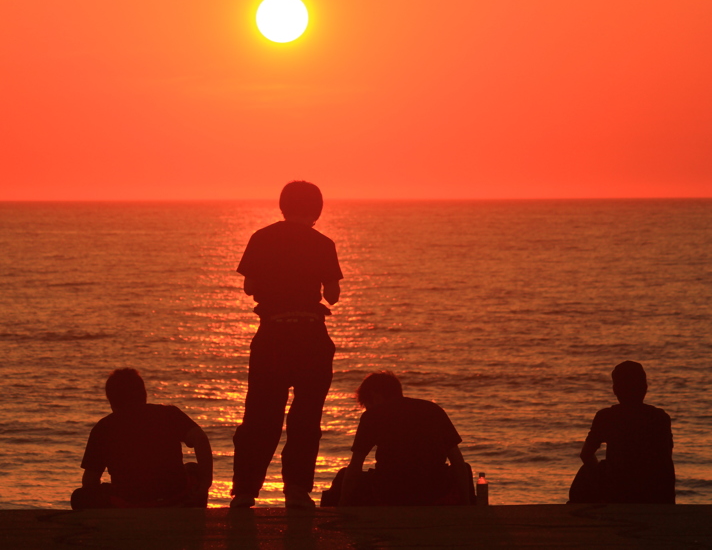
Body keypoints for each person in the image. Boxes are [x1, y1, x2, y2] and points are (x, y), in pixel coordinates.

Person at [231, 181, 343, 509]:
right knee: (306, 419)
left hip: (273, 336)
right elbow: (333, 296)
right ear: (317, 209)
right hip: (311, 336)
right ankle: (296, 490)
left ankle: (245, 492)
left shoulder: (261, 238)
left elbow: (250, 287)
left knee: (260, 416)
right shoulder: (324, 243)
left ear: (283, 205)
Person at [321, 372, 474, 507]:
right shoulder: (433, 409)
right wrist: (466, 502)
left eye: (367, 405)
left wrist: (343, 503)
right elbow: (457, 461)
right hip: (434, 491)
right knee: (465, 469)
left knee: (343, 476)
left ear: (374, 396)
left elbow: (356, 465)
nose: (367, 410)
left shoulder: (373, 415)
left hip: (390, 493)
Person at [72, 368, 213, 509]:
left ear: (111, 400)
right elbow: (200, 439)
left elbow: (90, 480)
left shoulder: (103, 427)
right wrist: (205, 483)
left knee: (80, 496)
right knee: (193, 469)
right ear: (143, 394)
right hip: (174, 497)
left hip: (129, 501)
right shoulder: (169, 414)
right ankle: (196, 516)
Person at [570, 361, 675, 504]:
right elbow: (665, 458)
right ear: (645, 387)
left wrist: (602, 473)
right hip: (657, 492)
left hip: (620, 491)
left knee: (586, 472)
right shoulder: (661, 418)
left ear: (615, 389)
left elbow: (586, 455)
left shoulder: (607, 417)